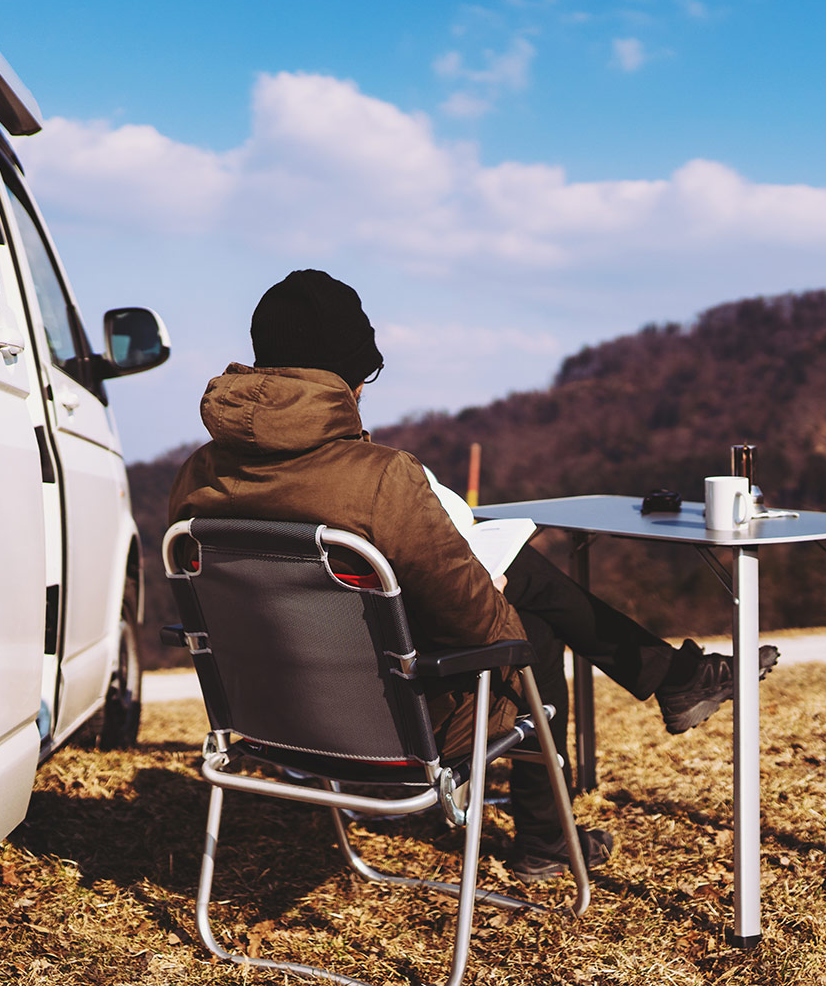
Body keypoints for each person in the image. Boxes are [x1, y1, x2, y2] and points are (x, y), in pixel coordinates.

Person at [169, 269, 779, 883]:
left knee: (519, 590)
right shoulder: (382, 478)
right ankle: (550, 834)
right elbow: (479, 626)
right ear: (346, 376)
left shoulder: (196, 474)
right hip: (395, 725)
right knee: (528, 627)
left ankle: (660, 690)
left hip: (264, 719)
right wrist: (497, 588)